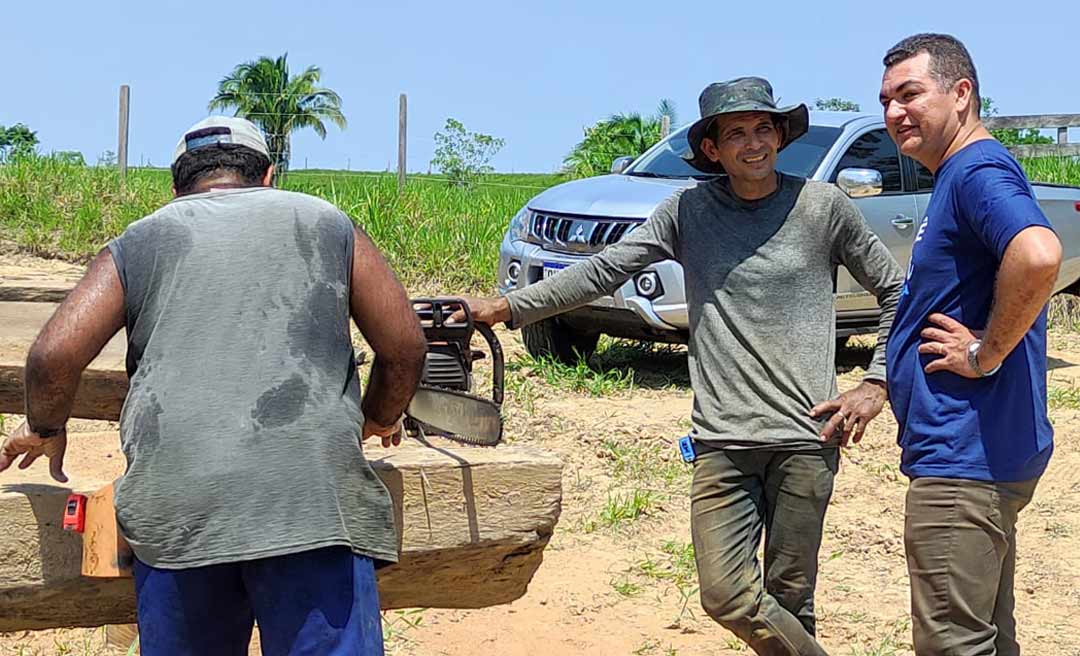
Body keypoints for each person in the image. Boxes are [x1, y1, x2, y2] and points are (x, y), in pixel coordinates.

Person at [457, 78, 905, 655]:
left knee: (792, 598)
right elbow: (604, 270)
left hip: (806, 436)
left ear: (780, 137)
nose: (753, 143)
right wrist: (505, 307)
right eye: (736, 133)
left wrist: (876, 382)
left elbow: (897, 292)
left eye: (763, 129)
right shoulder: (688, 211)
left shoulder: (821, 208)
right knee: (726, 596)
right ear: (712, 150)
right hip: (724, 440)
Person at [0, 116, 427, 655]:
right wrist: (379, 417)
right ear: (268, 176)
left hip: (179, 512)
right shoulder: (328, 224)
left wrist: (44, 426)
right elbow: (405, 346)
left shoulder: (142, 238)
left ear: (177, 187)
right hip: (312, 505)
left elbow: (52, 356)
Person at [879, 34, 1063, 655]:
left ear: (961, 94)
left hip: (963, 457)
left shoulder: (976, 169)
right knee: (986, 639)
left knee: (952, 644)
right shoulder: (961, 173)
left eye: (910, 94)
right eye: (886, 100)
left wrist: (985, 352)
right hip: (982, 451)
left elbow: (1038, 255)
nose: (894, 113)